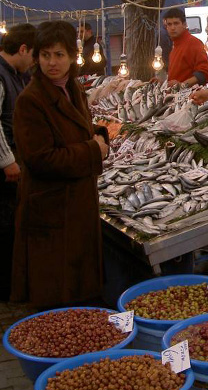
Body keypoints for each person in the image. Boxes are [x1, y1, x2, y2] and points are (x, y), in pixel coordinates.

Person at [11, 20, 109, 307]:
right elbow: (42, 159)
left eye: (59, 55)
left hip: (77, 204)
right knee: (55, 295)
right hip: (51, 210)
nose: (51, 63)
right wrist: (93, 150)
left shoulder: (73, 89)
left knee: (79, 292)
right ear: (36, 56)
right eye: (45, 55)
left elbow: (75, 130)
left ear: (70, 56)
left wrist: (97, 135)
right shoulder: (30, 100)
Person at [0, 23, 36, 301]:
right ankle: (7, 288)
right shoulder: (1, 75)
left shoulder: (15, 75)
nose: (35, 63)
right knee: (5, 226)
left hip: (14, 162)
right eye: (35, 55)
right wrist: (7, 161)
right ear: (23, 49)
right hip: (5, 169)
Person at [163, 8, 208, 88]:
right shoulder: (175, 45)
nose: (172, 28)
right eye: (169, 24)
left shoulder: (193, 43)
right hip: (175, 96)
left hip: (190, 97)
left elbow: (206, 72)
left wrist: (182, 85)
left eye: (176, 23)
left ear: (184, 25)